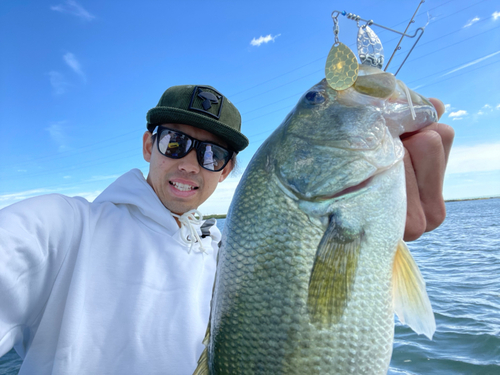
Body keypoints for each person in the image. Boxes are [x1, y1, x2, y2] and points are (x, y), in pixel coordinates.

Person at [0, 84, 453, 374]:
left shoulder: (226, 254)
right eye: (174, 142)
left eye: (213, 156)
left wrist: (381, 235)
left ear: (228, 170)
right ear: (147, 145)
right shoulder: (63, 228)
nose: (191, 164)